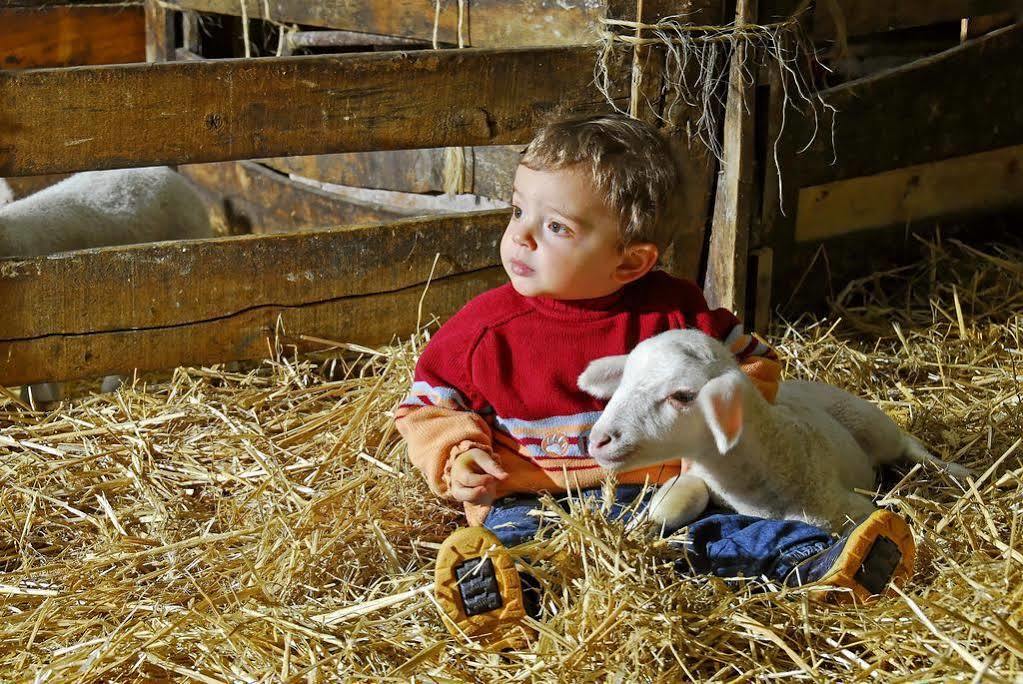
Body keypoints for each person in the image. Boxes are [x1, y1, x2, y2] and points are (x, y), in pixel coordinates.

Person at [395, 114, 915, 648]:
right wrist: (457, 455)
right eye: (517, 210)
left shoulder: (674, 313)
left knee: (717, 534)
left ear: (631, 261)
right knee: (522, 539)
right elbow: (426, 405)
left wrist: (713, 439)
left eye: (556, 227)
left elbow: (752, 364)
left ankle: (818, 562)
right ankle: (502, 592)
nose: (520, 236)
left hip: (661, 488)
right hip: (537, 493)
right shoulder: (484, 330)